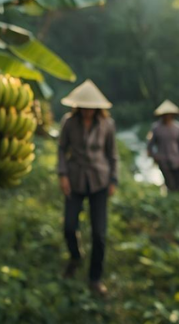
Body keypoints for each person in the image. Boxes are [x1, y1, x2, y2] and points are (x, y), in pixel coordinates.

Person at [56, 80, 118, 297]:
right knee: (69, 226)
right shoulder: (69, 122)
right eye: (84, 106)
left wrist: (113, 180)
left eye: (91, 106)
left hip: (99, 181)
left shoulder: (107, 125)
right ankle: (75, 256)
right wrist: (62, 175)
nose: (87, 110)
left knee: (99, 233)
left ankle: (95, 278)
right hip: (75, 179)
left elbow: (112, 154)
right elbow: (62, 149)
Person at [147, 100, 179, 194]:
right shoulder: (156, 128)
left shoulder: (178, 128)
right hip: (163, 161)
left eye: (169, 115)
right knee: (170, 184)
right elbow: (150, 146)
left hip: (176, 161)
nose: (167, 117)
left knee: (177, 185)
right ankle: (171, 201)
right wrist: (155, 156)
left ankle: (176, 204)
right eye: (165, 115)